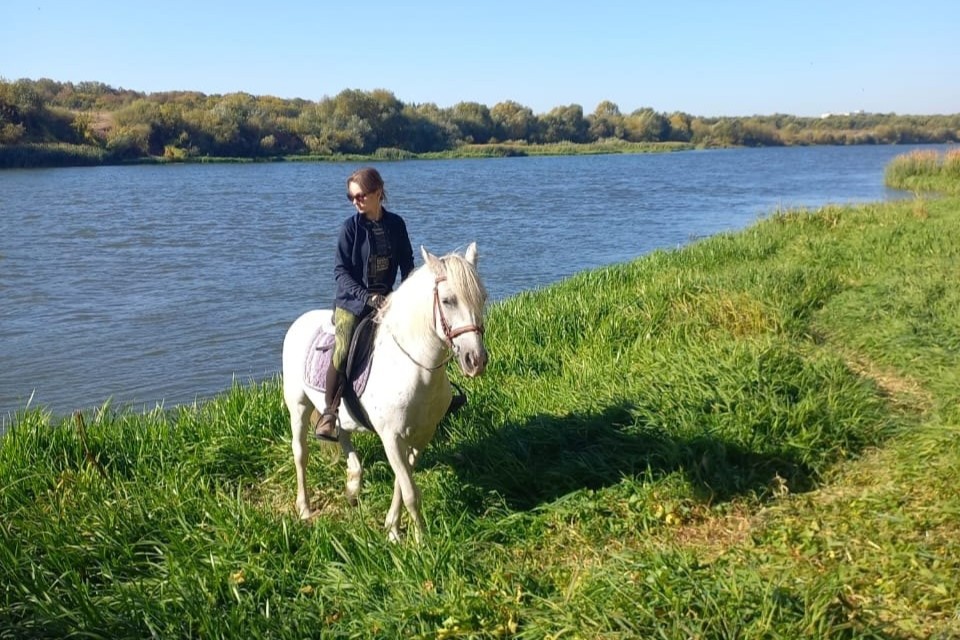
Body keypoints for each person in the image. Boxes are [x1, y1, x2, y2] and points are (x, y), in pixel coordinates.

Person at [315, 167, 415, 441]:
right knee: (344, 348)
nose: (356, 201)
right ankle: (329, 412)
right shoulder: (350, 228)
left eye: (360, 195)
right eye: (351, 197)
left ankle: (436, 398)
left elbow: (407, 263)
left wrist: (405, 293)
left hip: (388, 300)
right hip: (352, 304)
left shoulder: (396, 224)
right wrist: (365, 296)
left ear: (378, 192)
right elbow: (340, 272)